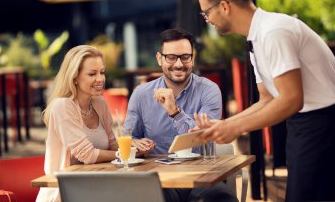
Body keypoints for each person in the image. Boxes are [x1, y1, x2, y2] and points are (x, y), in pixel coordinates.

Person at [193, 0, 335, 201]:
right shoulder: (257, 38)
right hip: (305, 129)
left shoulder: (274, 31)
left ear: (224, 7)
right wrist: (225, 125)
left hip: (323, 129)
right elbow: (267, 99)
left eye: (206, 13)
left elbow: (291, 99)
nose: (208, 21)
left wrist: (235, 128)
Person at [124, 28, 237, 202]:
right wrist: (135, 144)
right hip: (158, 180)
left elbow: (203, 137)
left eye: (185, 57)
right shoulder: (141, 94)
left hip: (201, 176)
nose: (178, 64)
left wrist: (175, 112)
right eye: (171, 57)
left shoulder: (209, 90)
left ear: (193, 58)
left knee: (222, 199)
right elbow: (128, 138)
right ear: (159, 58)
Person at [36, 45, 148, 202]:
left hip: (96, 186)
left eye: (102, 72)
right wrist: (125, 155)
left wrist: (135, 147)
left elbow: (112, 144)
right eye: (92, 74)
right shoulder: (62, 106)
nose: (100, 79)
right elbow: (87, 155)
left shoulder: (100, 103)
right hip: (64, 192)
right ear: (74, 76)